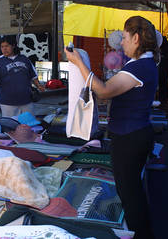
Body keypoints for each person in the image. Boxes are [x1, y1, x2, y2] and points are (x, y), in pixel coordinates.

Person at [65, 16, 158, 239]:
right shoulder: (144, 64)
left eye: (125, 38)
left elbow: (104, 90)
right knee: (131, 191)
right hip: (134, 133)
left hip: (130, 137)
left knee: (130, 194)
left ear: (136, 38)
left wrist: (80, 63)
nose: (121, 43)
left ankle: (142, 235)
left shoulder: (140, 66)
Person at [0, 36, 45, 117]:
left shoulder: (24, 59)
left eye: (7, 46)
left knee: (29, 124)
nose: (4, 49)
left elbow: (33, 75)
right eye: (2, 47)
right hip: (7, 101)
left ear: (13, 46)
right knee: (11, 125)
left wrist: (39, 85)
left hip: (26, 99)